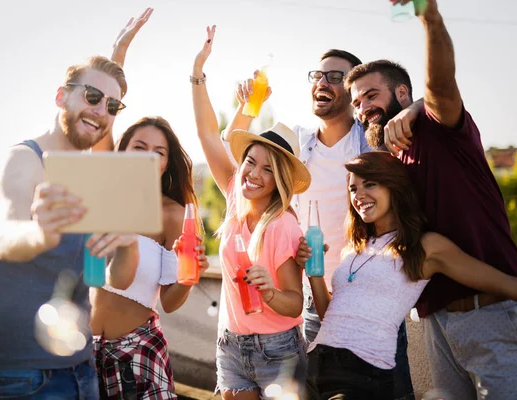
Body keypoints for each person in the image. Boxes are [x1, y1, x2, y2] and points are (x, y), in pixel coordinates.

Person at [345, 1, 517, 398]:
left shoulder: (439, 129)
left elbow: (440, 85)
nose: (363, 108)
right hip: (435, 325)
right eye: (357, 103)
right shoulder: (388, 167)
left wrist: (430, 17)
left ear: (402, 92)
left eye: (371, 95)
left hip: (490, 312)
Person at [228, 50, 420, 399]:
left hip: (370, 299)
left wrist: (415, 107)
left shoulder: (373, 139)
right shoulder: (299, 143)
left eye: (335, 77)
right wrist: (249, 106)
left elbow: (426, 108)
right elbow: (237, 150)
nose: (323, 82)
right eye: (318, 75)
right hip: (312, 294)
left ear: (353, 93)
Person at [0, 55, 139, 399]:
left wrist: (128, 243)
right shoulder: (23, 160)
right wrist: (41, 233)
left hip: (81, 365)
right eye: (92, 96)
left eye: (112, 105)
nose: (101, 111)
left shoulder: (86, 178)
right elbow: (5, 237)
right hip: (25, 372)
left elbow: (105, 279)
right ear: (60, 96)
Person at [305, 151, 517, 400]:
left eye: (370, 184)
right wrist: (313, 274)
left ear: (394, 186)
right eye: (353, 188)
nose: (359, 195)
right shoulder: (352, 249)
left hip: (361, 373)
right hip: (316, 366)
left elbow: (501, 282)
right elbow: (327, 315)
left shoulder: (425, 247)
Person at [193, 26, 310, 399]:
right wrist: (199, 70)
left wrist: (270, 292)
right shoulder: (234, 196)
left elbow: (294, 302)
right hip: (230, 345)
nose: (254, 174)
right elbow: (210, 136)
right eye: (250, 162)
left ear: (279, 182)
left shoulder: (282, 225)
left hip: (277, 349)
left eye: (267, 170)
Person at [90, 117, 211, 400]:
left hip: (137, 355)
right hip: (83, 353)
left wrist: (187, 277)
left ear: (166, 164)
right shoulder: (102, 200)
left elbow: (170, 301)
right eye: (139, 147)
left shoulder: (174, 215)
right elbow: (99, 127)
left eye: (158, 152)